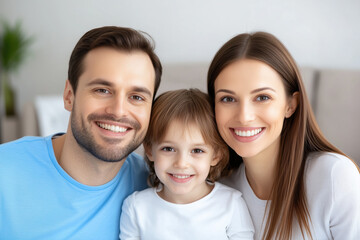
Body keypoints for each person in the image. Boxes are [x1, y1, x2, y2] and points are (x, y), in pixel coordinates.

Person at [0, 26, 162, 239]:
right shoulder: (5, 171)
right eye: (102, 90)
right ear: (69, 95)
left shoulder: (157, 184)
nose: (118, 111)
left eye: (137, 97)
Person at [207, 32, 360, 240]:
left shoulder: (334, 177)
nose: (244, 117)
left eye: (262, 97)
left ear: (291, 104)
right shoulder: (217, 190)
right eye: (227, 99)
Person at [119, 89, 255, 240]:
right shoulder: (136, 207)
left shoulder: (231, 204)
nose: (181, 163)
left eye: (197, 150)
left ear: (216, 155)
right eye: (168, 149)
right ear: (150, 150)